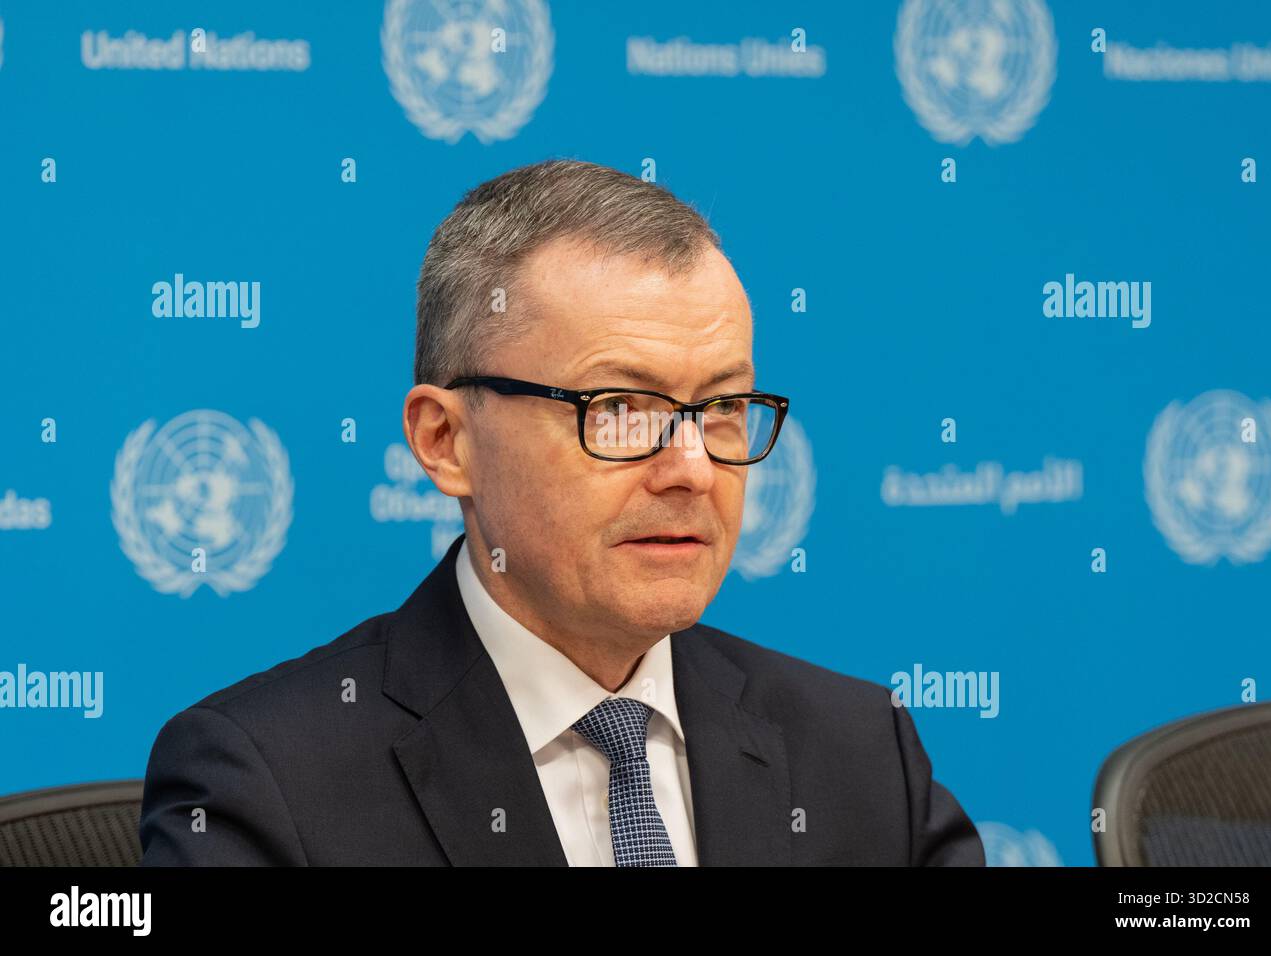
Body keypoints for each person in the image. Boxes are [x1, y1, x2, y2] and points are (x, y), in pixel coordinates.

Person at [138, 159, 984, 866]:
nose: (691, 468)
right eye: (619, 409)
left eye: (722, 408)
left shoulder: (862, 754)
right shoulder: (264, 783)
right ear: (446, 441)